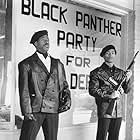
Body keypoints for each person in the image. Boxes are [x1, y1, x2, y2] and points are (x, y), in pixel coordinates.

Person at [18, 30, 71, 140]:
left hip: (52, 109)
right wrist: (27, 111)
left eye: (47, 39)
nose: (47, 42)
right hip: (35, 108)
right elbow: (24, 90)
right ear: (36, 44)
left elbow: (63, 85)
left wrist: (66, 101)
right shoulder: (26, 64)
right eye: (43, 40)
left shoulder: (58, 63)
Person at [89, 45, 132, 140]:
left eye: (112, 52)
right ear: (103, 56)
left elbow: (127, 90)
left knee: (114, 137)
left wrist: (128, 79)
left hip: (118, 111)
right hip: (105, 110)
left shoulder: (121, 73)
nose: (110, 55)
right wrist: (109, 95)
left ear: (115, 54)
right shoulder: (96, 72)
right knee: (101, 137)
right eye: (107, 53)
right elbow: (92, 90)